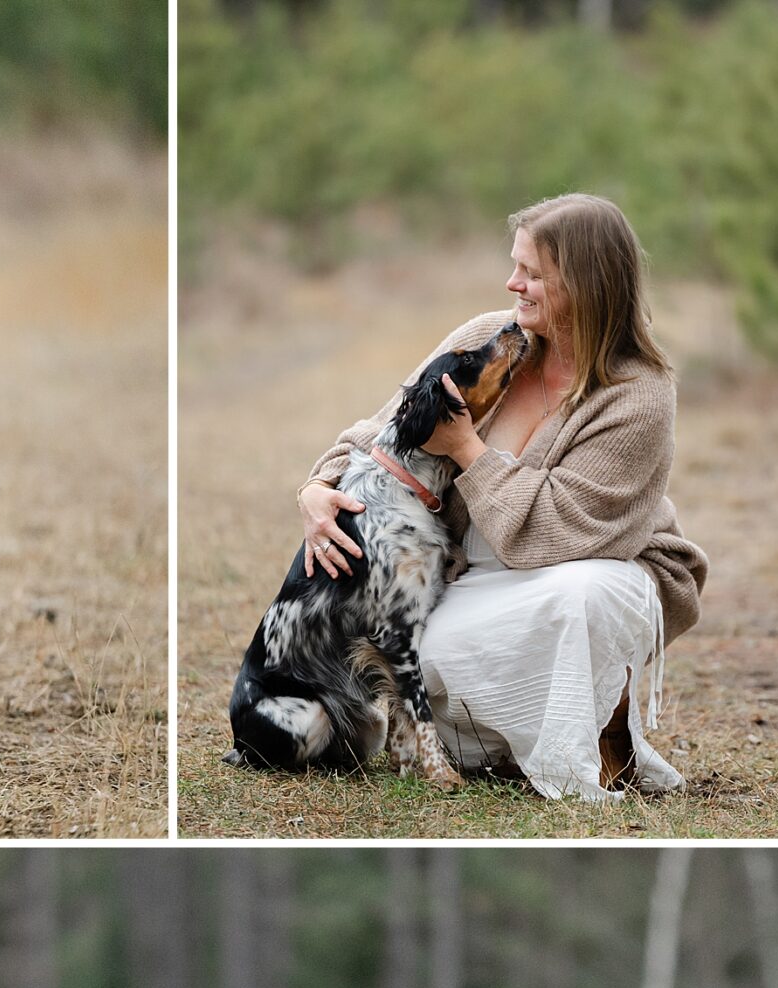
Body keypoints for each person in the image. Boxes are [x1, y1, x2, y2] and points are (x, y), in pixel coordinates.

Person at [295, 192, 708, 803]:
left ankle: (594, 729)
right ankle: (517, 738)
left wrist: (466, 448)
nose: (511, 283)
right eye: (516, 265)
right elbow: (384, 431)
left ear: (587, 285)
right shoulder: (488, 337)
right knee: (413, 657)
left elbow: (558, 533)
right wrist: (317, 486)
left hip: (596, 565)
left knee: (577, 599)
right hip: (471, 574)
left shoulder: (638, 394)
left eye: (533, 274)